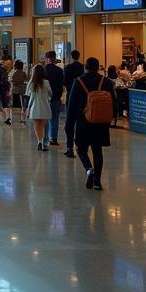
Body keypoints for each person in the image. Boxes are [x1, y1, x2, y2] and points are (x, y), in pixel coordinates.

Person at [65, 56, 113, 191]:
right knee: (97, 150)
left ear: (85, 68)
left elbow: (72, 104)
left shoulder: (79, 81)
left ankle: (89, 170)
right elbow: (113, 102)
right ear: (98, 68)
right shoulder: (106, 81)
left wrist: (69, 124)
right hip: (101, 122)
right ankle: (97, 181)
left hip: (83, 122)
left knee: (81, 149)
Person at [62, 49, 84, 157]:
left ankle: (69, 146)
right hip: (82, 99)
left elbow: (64, 80)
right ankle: (79, 145)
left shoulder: (68, 68)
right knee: (80, 123)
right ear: (79, 56)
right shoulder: (82, 67)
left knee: (69, 124)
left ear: (71, 56)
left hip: (71, 96)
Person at [26, 63, 53, 150]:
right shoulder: (46, 82)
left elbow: (31, 97)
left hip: (35, 107)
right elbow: (50, 94)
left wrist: (28, 108)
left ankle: (39, 141)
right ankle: (44, 143)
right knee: (43, 126)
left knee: (37, 126)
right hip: (45, 106)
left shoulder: (32, 83)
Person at [43, 51, 65, 146]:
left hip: (44, 98)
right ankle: (54, 138)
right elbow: (62, 84)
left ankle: (44, 138)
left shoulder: (43, 70)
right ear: (54, 58)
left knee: (44, 119)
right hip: (56, 97)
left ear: (46, 58)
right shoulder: (59, 70)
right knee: (55, 119)